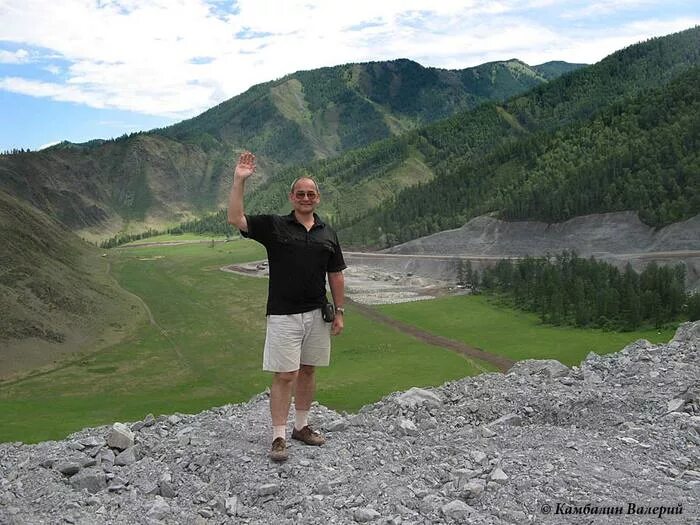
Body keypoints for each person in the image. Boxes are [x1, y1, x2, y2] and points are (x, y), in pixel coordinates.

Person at [227, 150, 346, 462]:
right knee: (285, 375)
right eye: (300, 193)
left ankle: (301, 426)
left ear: (317, 198)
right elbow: (235, 218)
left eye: (311, 194)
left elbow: (335, 273)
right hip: (283, 315)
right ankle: (278, 435)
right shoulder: (275, 226)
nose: (306, 198)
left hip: (318, 314)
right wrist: (240, 180)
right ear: (291, 197)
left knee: (308, 371)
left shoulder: (327, 232)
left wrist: (340, 311)